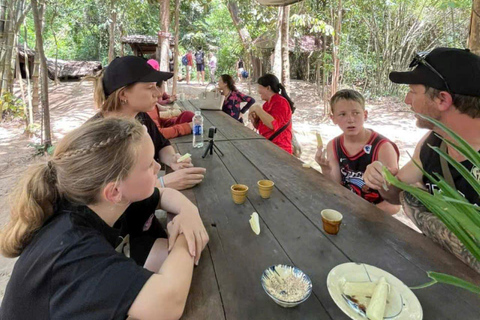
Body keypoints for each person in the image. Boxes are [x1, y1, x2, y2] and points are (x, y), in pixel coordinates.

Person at [0, 118, 208, 319]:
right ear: (114, 191)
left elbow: (164, 195)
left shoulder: (101, 202)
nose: (157, 167)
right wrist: (185, 238)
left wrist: (189, 213)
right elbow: (168, 304)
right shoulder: (74, 247)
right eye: (148, 165)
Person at [363, 47, 480, 271]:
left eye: (413, 92)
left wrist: (416, 200)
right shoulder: (433, 142)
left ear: (442, 99)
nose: (407, 100)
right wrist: (382, 177)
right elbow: (396, 193)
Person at [87, 56, 206, 191]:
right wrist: (161, 184)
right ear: (123, 94)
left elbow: (161, 144)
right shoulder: (98, 136)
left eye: (156, 86)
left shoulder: (139, 116)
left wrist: (172, 159)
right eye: (150, 87)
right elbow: (108, 194)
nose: (158, 93)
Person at [315, 89, 400, 214]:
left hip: (375, 216)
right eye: (342, 114)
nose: (350, 119)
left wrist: (361, 213)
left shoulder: (383, 147)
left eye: (356, 113)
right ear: (333, 118)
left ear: (365, 115)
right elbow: (336, 186)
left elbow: (394, 204)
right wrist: (325, 169)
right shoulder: (333, 145)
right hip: (344, 209)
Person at [147, 59, 194, 139]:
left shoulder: (151, 103)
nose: (157, 93)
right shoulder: (146, 106)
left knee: (188, 115)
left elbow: (158, 122)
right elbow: (158, 134)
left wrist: (174, 120)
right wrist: (187, 127)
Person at [248, 74, 294, 154]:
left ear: (268, 88)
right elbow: (262, 127)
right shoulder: (266, 105)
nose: (258, 91)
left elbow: (273, 125)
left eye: (260, 87)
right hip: (268, 147)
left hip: (280, 150)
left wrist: (257, 109)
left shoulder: (281, 102)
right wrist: (255, 120)